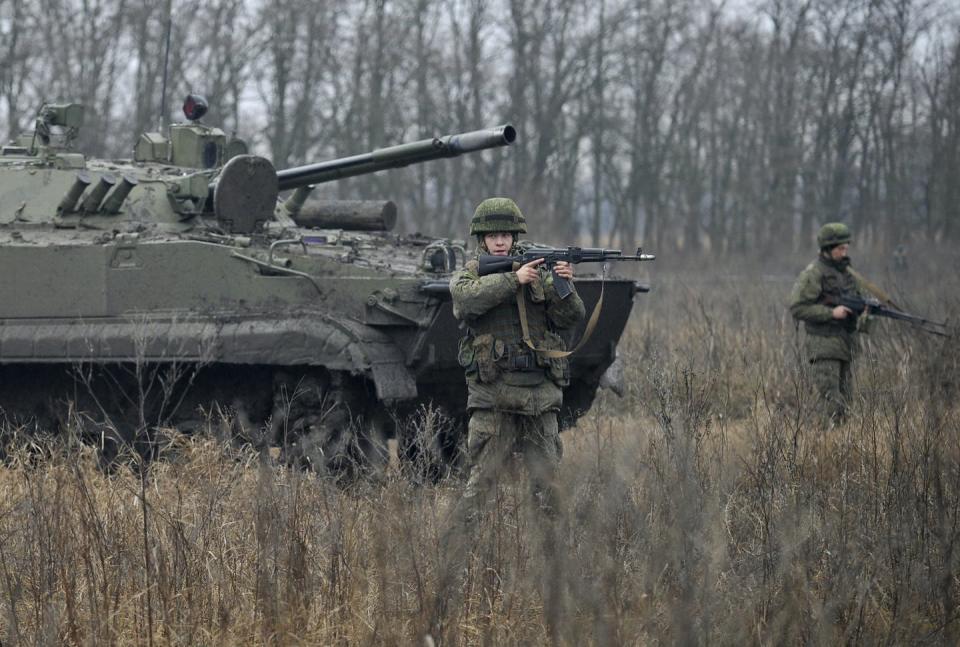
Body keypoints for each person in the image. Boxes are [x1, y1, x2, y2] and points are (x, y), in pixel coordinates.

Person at [429, 197, 585, 639]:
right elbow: (464, 302)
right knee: (478, 490)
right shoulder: (472, 271)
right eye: (492, 235)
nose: (500, 240)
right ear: (481, 238)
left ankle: (556, 579)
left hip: (539, 400)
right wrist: (513, 279)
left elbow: (569, 320)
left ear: (516, 235)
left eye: (506, 235)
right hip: (495, 400)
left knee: (547, 492)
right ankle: (450, 573)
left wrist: (563, 285)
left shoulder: (540, 271)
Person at [789, 222, 870, 422]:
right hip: (824, 346)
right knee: (831, 403)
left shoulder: (848, 273)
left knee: (847, 403)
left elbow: (859, 298)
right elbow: (798, 307)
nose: (844, 252)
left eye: (846, 248)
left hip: (846, 345)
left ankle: (841, 446)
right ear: (827, 249)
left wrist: (866, 310)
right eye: (840, 248)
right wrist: (831, 313)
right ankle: (826, 445)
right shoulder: (813, 273)